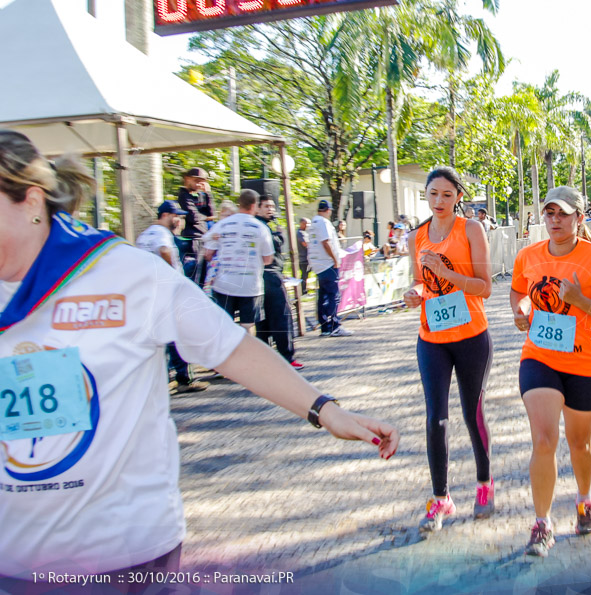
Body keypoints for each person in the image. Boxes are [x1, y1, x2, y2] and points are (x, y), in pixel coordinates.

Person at [0, 131, 399, 581]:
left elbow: (230, 347)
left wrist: (325, 409)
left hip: (121, 559)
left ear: (32, 201)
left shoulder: (123, 273)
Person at [510, 186, 591, 558]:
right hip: (539, 358)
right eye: (549, 214)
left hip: (585, 362)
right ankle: (542, 525)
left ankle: (584, 499)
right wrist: (520, 311)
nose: (555, 220)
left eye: (563, 214)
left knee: (580, 445)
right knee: (544, 440)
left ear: (579, 217)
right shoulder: (528, 255)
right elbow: (518, 291)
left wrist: (579, 301)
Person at [402, 167, 496, 536]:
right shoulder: (416, 237)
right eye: (432, 194)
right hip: (432, 338)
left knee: (473, 413)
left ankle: (484, 484)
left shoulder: (471, 229)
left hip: (472, 336)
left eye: (446, 194)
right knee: (435, 418)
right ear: (425, 195)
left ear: (458, 196)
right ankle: (440, 497)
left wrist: (446, 271)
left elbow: (484, 287)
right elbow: (420, 282)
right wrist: (414, 294)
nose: (439, 201)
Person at [136, 200, 209, 395]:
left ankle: (163, 377)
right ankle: (183, 378)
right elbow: (164, 250)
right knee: (175, 334)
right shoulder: (161, 234)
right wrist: (173, 274)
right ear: (167, 215)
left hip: (149, 292)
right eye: (177, 216)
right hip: (165, 291)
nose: (179, 221)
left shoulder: (144, 235)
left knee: (161, 336)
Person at [201, 189, 274, 334]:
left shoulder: (222, 224)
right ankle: (247, 355)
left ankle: (226, 355)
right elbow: (268, 259)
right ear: (254, 205)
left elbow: (208, 253)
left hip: (224, 283)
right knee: (248, 325)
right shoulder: (261, 227)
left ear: (239, 204)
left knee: (224, 324)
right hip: (250, 285)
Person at [255, 195, 302, 369]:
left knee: (265, 319)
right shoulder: (260, 226)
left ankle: (271, 358)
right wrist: (280, 235)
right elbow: (272, 247)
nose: (270, 209)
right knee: (280, 317)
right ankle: (286, 358)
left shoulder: (269, 224)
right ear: (257, 208)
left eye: (272, 206)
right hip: (267, 274)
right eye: (266, 206)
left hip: (269, 273)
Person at [307, 200, 351, 337]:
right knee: (333, 295)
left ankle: (325, 326)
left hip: (318, 263)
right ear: (328, 210)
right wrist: (334, 259)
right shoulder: (323, 223)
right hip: (327, 263)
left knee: (323, 295)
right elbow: (326, 242)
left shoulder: (313, 222)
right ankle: (334, 325)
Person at [177, 167, 214, 283]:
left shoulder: (201, 196)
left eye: (201, 181)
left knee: (204, 275)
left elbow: (212, 214)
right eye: (196, 181)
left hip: (203, 238)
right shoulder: (183, 195)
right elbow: (193, 217)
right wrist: (206, 217)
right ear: (187, 179)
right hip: (191, 239)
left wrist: (208, 194)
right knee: (195, 274)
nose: (199, 184)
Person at [296, 217, 311, 294]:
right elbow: (305, 244)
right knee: (304, 275)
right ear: (302, 223)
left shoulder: (305, 232)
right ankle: (303, 290)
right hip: (303, 258)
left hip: (308, 257)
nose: (308, 225)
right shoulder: (300, 233)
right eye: (306, 224)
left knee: (307, 274)